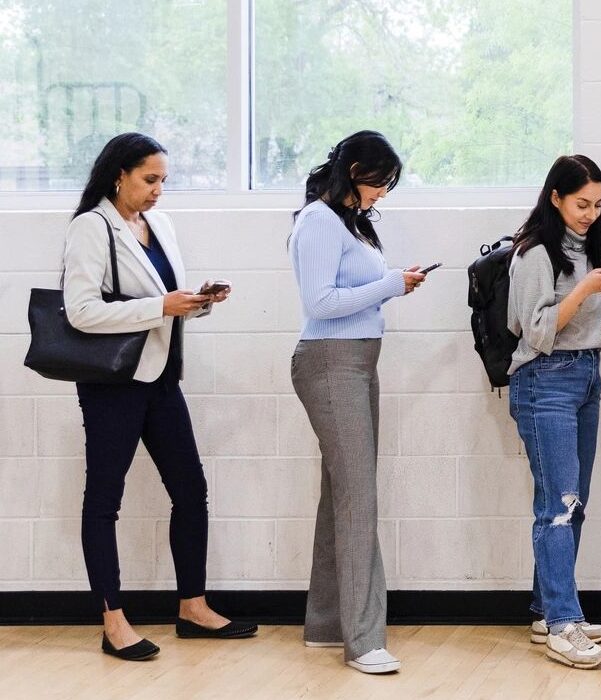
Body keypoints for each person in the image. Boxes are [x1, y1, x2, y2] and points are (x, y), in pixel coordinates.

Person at [62, 132, 251, 661]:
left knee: (191, 491)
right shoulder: (91, 226)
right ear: (118, 175)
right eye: (149, 179)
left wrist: (198, 302)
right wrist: (160, 307)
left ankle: (193, 607)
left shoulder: (159, 225)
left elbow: (164, 301)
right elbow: (81, 312)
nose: (158, 191)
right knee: (104, 501)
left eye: (163, 180)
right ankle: (113, 621)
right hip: (113, 386)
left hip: (162, 378)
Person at [288, 130, 429, 675]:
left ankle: (328, 624)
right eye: (380, 181)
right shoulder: (318, 221)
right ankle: (364, 640)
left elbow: (350, 294)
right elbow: (320, 303)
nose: (383, 193)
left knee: (342, 494)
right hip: (330, 362)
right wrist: (392, 284)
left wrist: (394, 283)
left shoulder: (350, 224)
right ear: (353, 171)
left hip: (358, 361)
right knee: (358, 499)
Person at [505, 155, 601, 669]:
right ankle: (562, 622)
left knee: (573, 503)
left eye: (598, 204)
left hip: (586, 374)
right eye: (582, 204)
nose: (590, 214)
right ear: (555, 198)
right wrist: (584, 291)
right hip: (545, 379)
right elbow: (534, 330)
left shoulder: (590, 246)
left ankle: (547, 611)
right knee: (558, 503)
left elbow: (587, 315)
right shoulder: (534, 252)